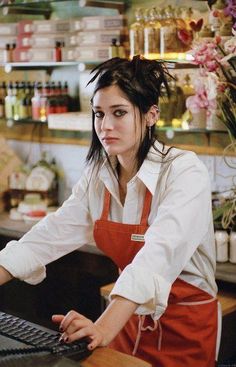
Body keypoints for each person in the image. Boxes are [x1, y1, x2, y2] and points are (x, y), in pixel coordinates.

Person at [0, 56, 219, 367]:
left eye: (119, 113)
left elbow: (156, 256)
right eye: (99, 114)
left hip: (184, 325)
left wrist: (102, 327)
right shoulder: (98, 173)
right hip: (125, 319)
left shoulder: (184, 172)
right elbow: (49, 235)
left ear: (150, 114)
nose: (105, 125)